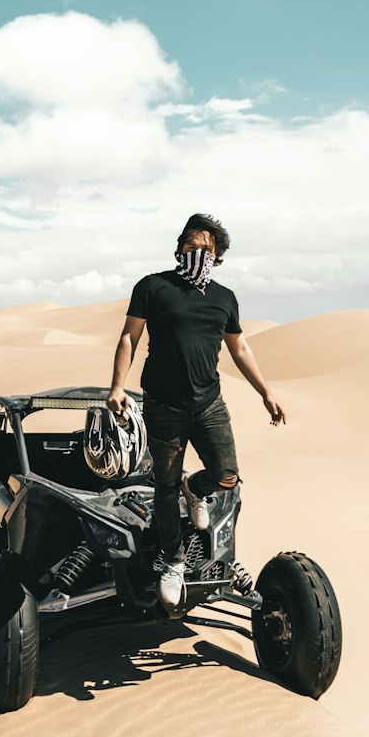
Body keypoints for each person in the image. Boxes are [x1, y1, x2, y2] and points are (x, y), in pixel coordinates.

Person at [107, 213, 286, 608]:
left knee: (227, 475)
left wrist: (265, 392)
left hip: (209, 406)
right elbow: (129, 337)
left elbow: (239, 348)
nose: (197, 254)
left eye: (206, 249)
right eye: (190, 246)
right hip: (162, 406)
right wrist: (118, 386)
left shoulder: (224, 298)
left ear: (217, 256)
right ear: (179, 248)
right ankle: (172, 561)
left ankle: (197, 488)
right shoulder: (153, 287)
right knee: (165, 488)